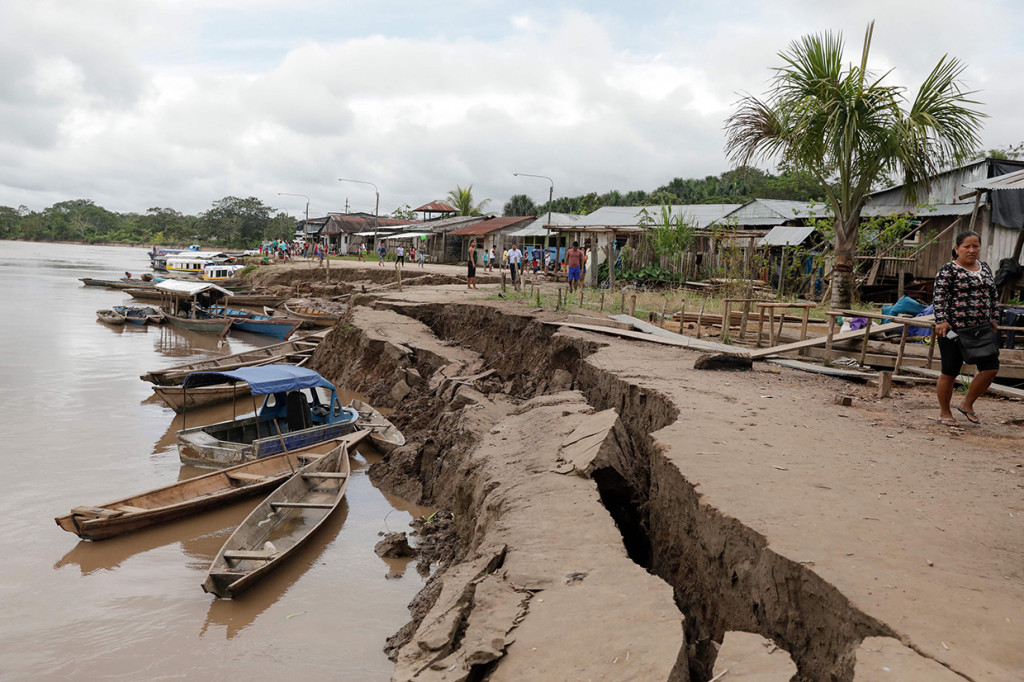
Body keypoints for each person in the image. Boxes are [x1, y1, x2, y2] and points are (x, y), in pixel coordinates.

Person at [933, 230, 1000, 427]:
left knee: (990, 367)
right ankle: (945, 412)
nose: (972, 250)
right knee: (950, 370)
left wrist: (994, 317)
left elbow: (993, 295)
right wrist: (941, 320)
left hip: (981, 329)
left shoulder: (985, 268)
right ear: (957, 248)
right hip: (953, 330)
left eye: (975, 246)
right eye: (967, 246)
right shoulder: (948, 270)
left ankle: (967, 404)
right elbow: (939, 297)